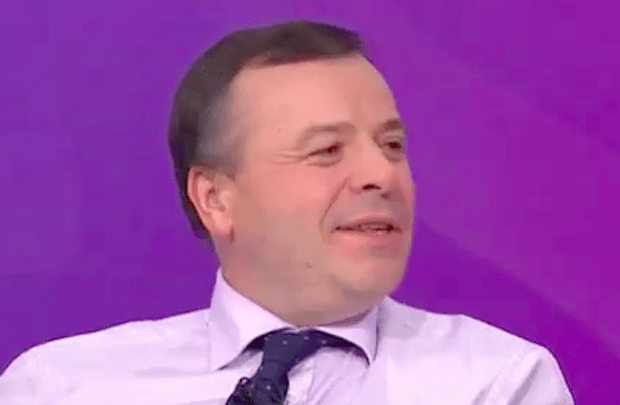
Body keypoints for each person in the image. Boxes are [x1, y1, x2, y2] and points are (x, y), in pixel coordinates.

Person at [0, 20, 573, 404]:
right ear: (215, 199)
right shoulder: (61, 387)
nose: (381, 175)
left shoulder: (498, 384)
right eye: (327, 150)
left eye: (393, 145)